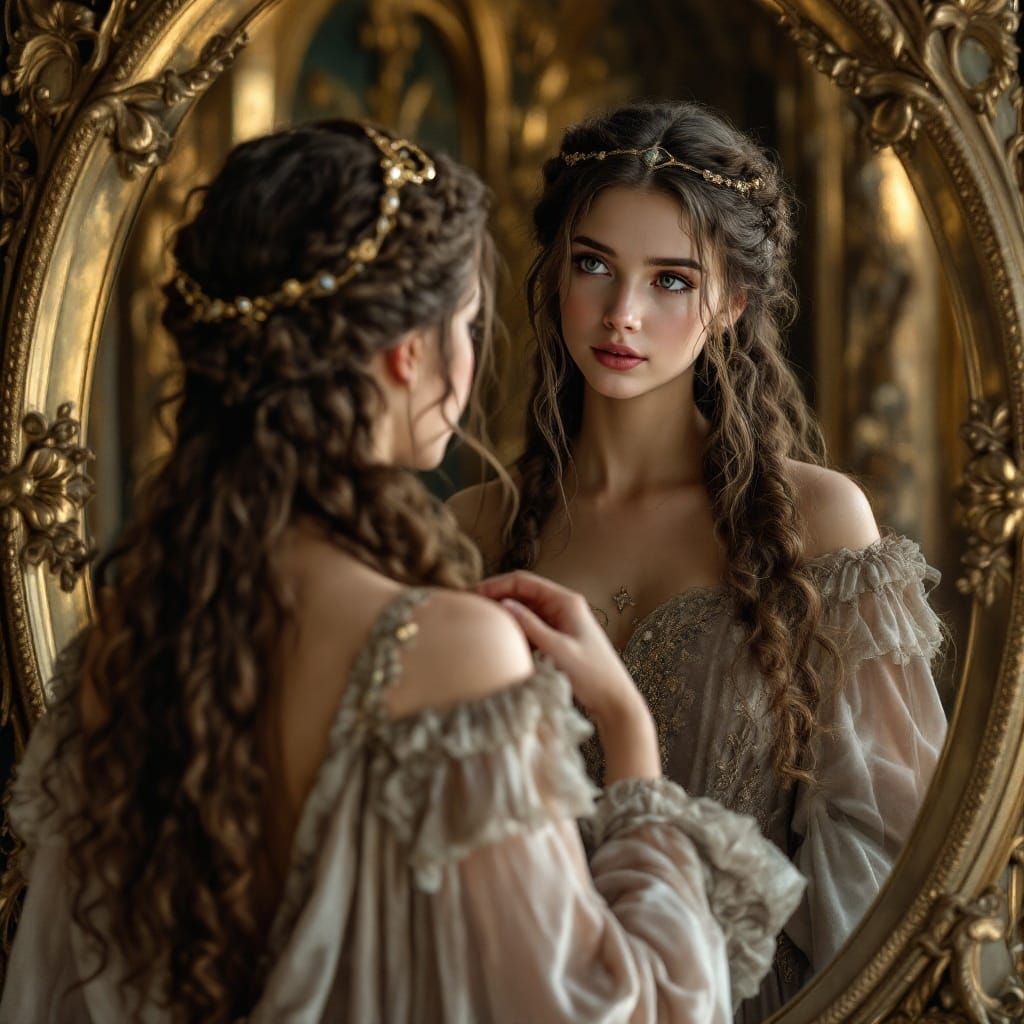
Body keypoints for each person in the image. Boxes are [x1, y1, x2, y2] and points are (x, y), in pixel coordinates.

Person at [0, 120, 804, 1023]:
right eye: (466, 323)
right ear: (407, 353)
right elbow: (606, 1012)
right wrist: (631, 744)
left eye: (668, 279)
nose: (621, 311)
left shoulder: (128, 641)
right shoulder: (451, 645)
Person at [450, 101, 948, 1021]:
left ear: (732, 303)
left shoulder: (820, 522)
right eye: (593, 265)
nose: (622, 313)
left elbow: (887, 869)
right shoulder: (471, 531)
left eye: (671, 280)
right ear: (555, 273)